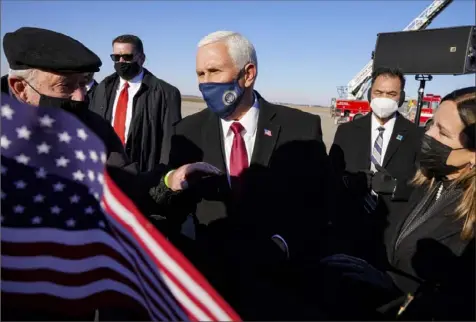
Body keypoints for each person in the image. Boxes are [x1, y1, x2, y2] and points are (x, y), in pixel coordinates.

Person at [152, 31, 332, 320]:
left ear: (248, 74)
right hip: (212, 285)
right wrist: (171, 183)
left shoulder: (301, 128)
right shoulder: (187, 132)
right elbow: (170, 211)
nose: (205, 82)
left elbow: (319, 204)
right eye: (200, 73)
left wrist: (285, 245)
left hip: (279, 285)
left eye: (214, 70)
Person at [320, 86, 476, 321]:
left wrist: (398, 292)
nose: (428, 135)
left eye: (442, 133)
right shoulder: (432, 183)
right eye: (431, 123)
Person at [329, 67, 423, 265]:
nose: (384, 98)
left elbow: (424, 186)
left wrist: (397, 187)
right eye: (379, 92)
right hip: (348, 231)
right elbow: (329, 177)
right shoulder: (346, 131)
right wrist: (346, 181)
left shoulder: (416, 136)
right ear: (370, 93)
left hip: (390, 237)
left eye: (391, 94)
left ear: (402, 96)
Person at [89, 34, 181, 171]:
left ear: (141, 59)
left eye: (127, 57)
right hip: (105, 170)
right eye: (116, 57)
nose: (121, 62)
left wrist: (162, 180)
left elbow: (170, 143)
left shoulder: (166, 93)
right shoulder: (102, 88)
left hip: (143, 174)